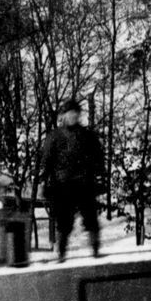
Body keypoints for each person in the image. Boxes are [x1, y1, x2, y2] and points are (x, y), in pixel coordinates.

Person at [37, 101, 105, 260]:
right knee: (63, 221)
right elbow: (46, 161)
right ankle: (61, 253)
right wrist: (42, 181)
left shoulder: (87, 136)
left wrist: (100, 176)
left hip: (84, 183)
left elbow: (98, 158)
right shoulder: (54, 136)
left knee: (91, 218)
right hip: (63, 185)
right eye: (70, 113)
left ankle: (95, 249)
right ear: (63, 116)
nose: (73, 116)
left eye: (76, 113)